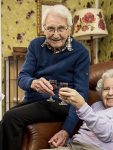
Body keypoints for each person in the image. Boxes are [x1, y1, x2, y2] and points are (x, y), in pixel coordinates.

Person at [0, 4, 90, 150]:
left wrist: (67, 129)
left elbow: (81, 94)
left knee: (11, 118)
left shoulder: (81, 53)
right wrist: (33, 83)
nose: (55, 34)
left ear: (69, 28)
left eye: (61, 28)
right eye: (50, 29)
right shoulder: (35, 45)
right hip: (35, 100)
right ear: (44, 29)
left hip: (60, 104)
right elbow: (22, 78)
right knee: (6, 119)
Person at [48, 69, 113, 150]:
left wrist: (82, 106)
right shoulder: (96, 106)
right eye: (106, 89)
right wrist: (63, 140)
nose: (110, 93)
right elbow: (85, 135)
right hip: (73, 146)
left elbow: (109, 133)